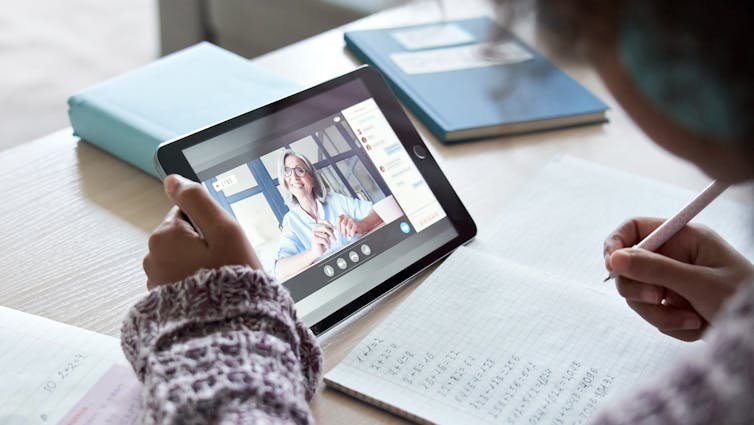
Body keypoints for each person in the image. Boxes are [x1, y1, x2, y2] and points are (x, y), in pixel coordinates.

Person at [124, 1, 754, 423]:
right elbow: (284, 261)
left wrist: (216, 321)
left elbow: (374, 213)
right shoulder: (291, 224)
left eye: (585, 38)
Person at [274, 149, 383, 280]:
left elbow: (379, 210)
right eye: (287, 172)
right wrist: (313, 253)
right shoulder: (290, 221)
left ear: (312, 178)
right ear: (285, 183)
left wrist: (361, 225)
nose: (294, 177)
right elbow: (280, 270)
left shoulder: (335, 200)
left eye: (299, 170)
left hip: (365, 265)